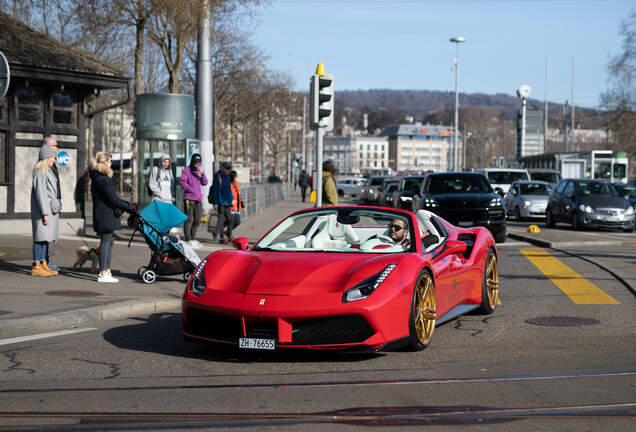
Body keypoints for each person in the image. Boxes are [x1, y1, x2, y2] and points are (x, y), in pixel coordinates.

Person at [89, 152, 135, 283]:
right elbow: (113, 199)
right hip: (106, 214)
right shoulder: (104, 179)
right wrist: (128, 206)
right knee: (105, 243)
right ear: (105, 162)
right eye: (110, 161)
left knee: (109, 242)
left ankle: (107, 271)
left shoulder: (97, 177)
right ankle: (103, 273)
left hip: (104, 213)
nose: (111, 164)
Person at [30, 145, 61, 276]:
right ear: (46, 158)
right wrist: (45, 214)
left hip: (48, 211)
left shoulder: (47, 172)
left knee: (45, 238)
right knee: (40, 238)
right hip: (43, 211)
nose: (54, 160)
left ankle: (43, 263)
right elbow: (41, 195)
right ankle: (36, 265)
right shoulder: (40, 174)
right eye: (53, 158)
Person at [179, 153, 208, 249]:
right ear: (192, 161)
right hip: (189, 199)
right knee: (189, 219)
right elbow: (182, 182)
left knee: (197, 220)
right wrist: (191, 190)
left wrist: (202, 173)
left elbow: (205, 182)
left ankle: (193, 237)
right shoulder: (187, 170)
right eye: (195, 162)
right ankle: (188, 239)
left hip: (198, 200)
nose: (196, 164)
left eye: (198, 162)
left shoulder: (199, 171)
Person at [42, 137, 62, 271]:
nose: (57, 148)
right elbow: (42, 191)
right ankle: (42, 263)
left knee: (47, 237)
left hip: (53, 204)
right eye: (55, 145)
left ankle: (46, 261)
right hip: (47, 206)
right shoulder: (43, 165)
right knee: (43, 237)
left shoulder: (52, 163)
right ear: (48, 147)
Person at [209, 161, 234, 244]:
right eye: (226, 168)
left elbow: (229, 190)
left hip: (227, 202)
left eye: (229, 168)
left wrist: (232, 199)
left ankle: (225, 233)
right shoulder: (218, 176)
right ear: (222, 168)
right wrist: (215, 203)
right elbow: (215, 191)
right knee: (221, 219)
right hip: (220, 202)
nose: (228, 170)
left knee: (230, 220)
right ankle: (222, 237)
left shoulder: (227, 177)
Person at [225, 169, 244, 242]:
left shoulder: (236, 185)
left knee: (237, 222)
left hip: (237, 207)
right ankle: (230, 235)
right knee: (231, 222)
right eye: (236, 176)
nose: (237, 177)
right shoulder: (229, 185)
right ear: (233, 177)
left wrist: (243, 206)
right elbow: (228, 195)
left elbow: (239, 196)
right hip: (231, 206)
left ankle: (227, 231)